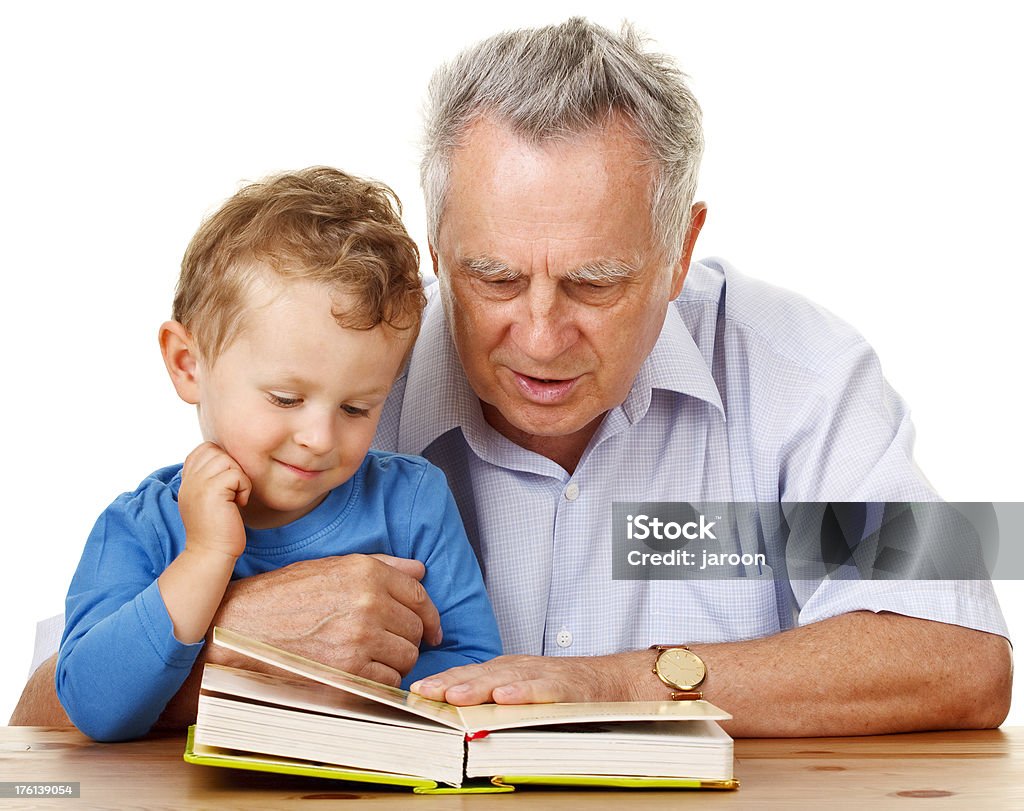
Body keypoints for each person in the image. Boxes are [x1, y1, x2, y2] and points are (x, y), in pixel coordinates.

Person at [14, 19, 1010, 736]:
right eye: (492, 275)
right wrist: (237, 650)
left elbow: (961, 659)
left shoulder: (805, 372)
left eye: (594, 279)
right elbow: (41, 705)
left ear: (676, 249)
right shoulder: (344, 380)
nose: (538, 335)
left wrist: (619, 683)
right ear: (438, 246)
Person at [51, 168, 501, 741]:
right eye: (286, 398)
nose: (319, 436)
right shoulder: (140, 528)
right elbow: (94, 706)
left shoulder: (413, 501)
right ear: (188, 364)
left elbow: (474, 671)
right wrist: (207, 554)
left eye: (358, 408)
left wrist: (351, 693)